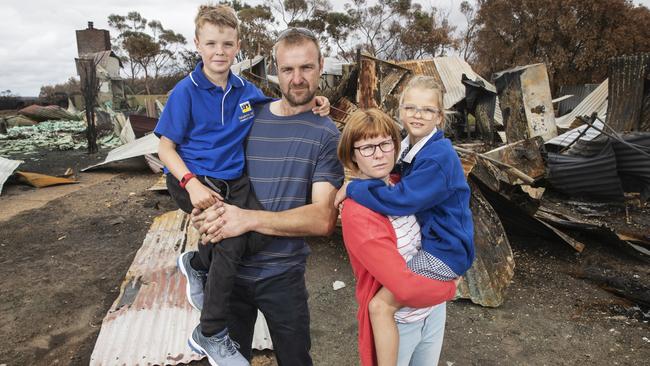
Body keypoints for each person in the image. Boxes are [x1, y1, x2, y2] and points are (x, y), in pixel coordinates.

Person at [154, 6, 330, 366]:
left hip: (271, 255)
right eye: (211, 43)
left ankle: (200, 263)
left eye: (227, 44)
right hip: (200, 189)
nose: (219, 51)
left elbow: (280, 102)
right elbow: (165, 147)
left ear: (238, 47)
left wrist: (316, 101)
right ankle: (210, 330)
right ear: (197, 45)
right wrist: (190, 185)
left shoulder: (247, 94)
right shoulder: (185, 92)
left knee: (254, 228)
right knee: (230, 239)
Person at [190, 27, 343, 366]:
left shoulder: (326, 134)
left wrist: (246, 219)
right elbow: (208, 170)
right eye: (288, 69)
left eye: (306, 68)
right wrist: (202, 211)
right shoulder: (248, 116)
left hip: (283, 276)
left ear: (321, 66)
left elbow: (322, 219)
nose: (298, 79)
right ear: (276, 71)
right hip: (227, 274)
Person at [337, 108, 460, 366]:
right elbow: (402, 286)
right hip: (400, 324)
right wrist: (451, 286)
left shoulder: (401, 183)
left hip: (432, 313)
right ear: (353, 156)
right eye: (368, 148)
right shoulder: (358, 214)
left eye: (385, 143)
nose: (379, 154)